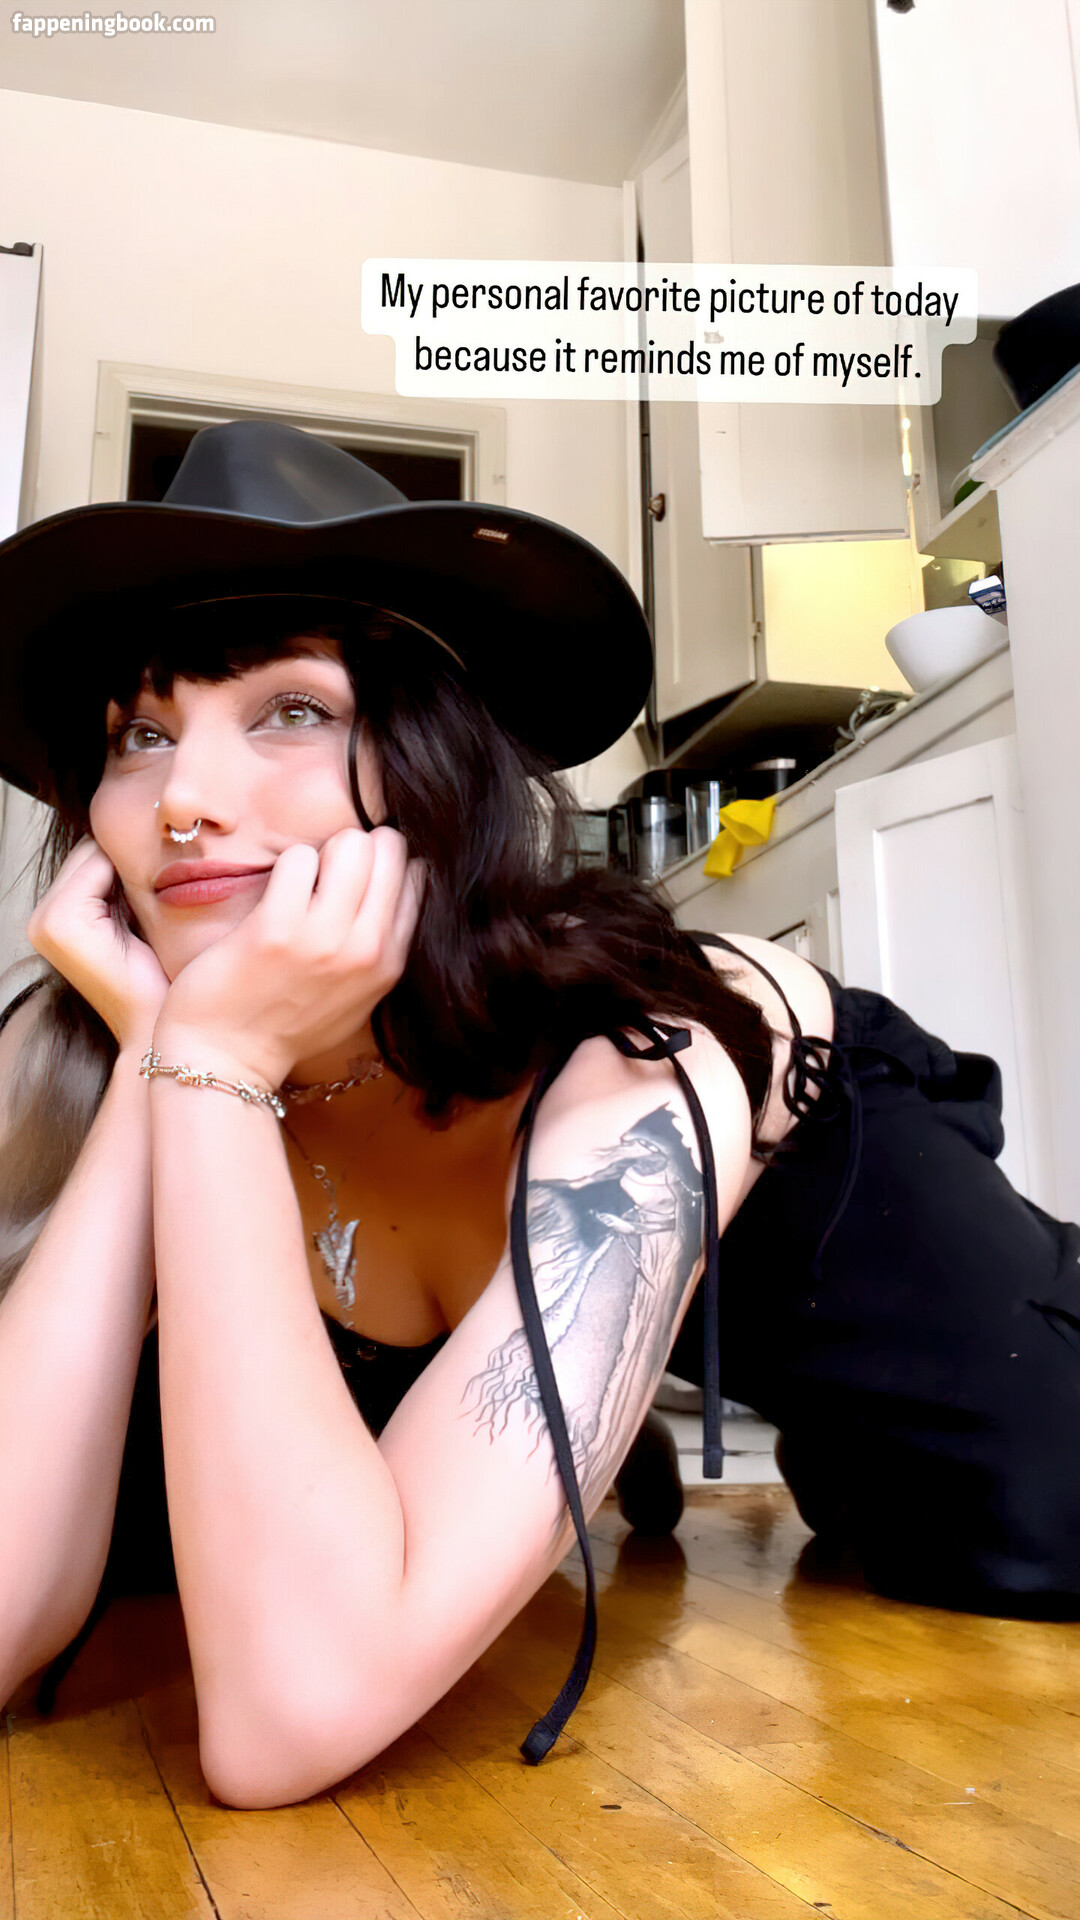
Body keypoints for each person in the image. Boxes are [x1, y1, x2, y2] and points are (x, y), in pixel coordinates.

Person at [0, 424, 1076, 1812]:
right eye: (141, 737)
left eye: (293, 710)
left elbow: (283, 1722)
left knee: (1014, 1520)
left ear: (440, 766)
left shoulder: (643, 1046)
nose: (184, 806)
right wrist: (177, 1057)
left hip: (886, 1306)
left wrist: (209, 1060)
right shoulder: (86, 1040)